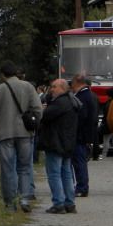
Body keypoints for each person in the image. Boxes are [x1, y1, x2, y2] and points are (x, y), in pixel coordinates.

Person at [0, 60, 43, 212]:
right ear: (16, 72)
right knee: (25, 167)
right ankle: (25, 199)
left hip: (5, 132)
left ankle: (10, 203)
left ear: (3, 75)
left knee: (8, 168)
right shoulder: (28, 87)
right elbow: (38, 109)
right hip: (25, 133)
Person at [40, 78, 80, 213]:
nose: (52, 89)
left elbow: (45, 116)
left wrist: (45, 108)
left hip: (56, 142)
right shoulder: (72, 101)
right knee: (66, 174)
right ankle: (70, 202)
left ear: (62, 88)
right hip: (68, 142)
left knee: (54, 174)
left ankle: (58, 203)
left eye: (54, 87)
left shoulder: (59, 103)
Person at [71, 74, 99, 197]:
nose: (71, 85)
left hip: (80, 134)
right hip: (85, 133)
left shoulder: (82, 96)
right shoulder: (89, 95)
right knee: (80, 161)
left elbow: (82, 116)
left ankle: (82, 187)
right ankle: (82, 186)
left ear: (78, 82)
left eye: (72, 82)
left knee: (79, 161)